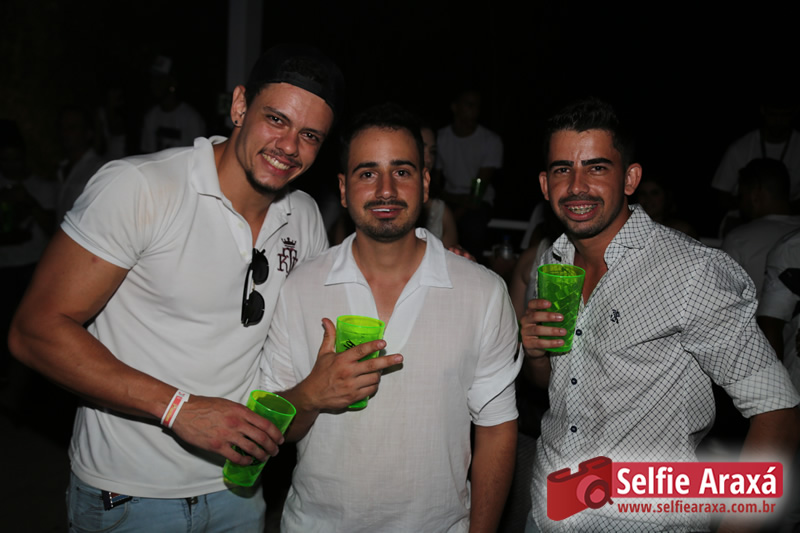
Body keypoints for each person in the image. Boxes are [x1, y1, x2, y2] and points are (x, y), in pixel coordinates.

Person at [8, 44, 344, 532]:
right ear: (240, 106)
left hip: (238, 490)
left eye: (309, 135)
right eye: (276, 119)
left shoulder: (305, 217)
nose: (289, 146)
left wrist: (433, 260)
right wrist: (178, 407)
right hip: (130, 495)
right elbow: (35, 330)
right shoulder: (141, 187)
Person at [521, 98, 800, 532]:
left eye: (597, 168)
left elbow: (778, 415)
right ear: (544, 183)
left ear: (630, 178)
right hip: (547, 513)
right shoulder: (551, 263)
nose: (577, 186)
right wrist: (537, 354)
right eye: (562, 169)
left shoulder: (691, 272)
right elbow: (554, 385)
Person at [260, 103, 522, 532]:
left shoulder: (483, 292)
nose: (385, 190)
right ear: (343, 189)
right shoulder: (300, 286)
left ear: (425, 183)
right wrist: (311, 394)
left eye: (401, 171)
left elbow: (496, 428)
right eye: (367, 173)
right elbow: (270, 427)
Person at [435, 88, 503, 257]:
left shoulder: (491, 141)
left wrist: (453, 217)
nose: (475, 110)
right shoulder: (440, 138)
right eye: (469, 104)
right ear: (455, 107)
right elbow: (434, 183)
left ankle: (473, 267)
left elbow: (478, 191)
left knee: (472, 228)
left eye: (477, 106)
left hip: (478, 202)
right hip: (448, 199)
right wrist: (447, 205)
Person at [722, 158, 800, 298]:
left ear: (755, 195)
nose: (740, 202)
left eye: (741, 195)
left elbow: (722, 298)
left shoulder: (739, 239)